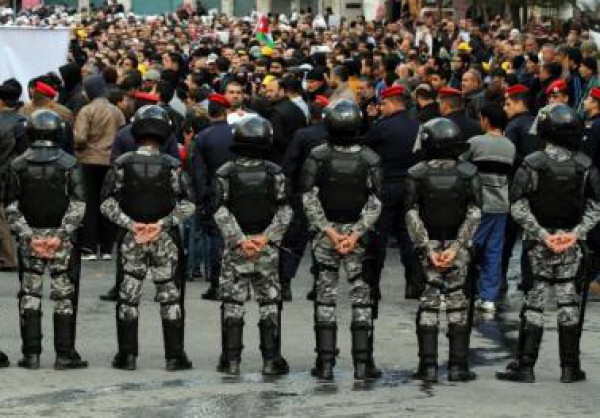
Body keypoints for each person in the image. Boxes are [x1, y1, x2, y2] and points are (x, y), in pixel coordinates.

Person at [496, 104, 600, 384]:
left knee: (535, 300)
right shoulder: (584, 165)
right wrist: (575, 234)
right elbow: (596, 206)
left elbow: (517, 205)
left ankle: (525, 366)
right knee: (568, 301)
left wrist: (543, 234)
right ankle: (570, 367)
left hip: (537, 243)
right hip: (571, 244)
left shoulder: (533, 163)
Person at [100, 105, 194, 371]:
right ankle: (174, 356)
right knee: (170, 296)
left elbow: (106, 203)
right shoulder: (173, 166)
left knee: (128, 295)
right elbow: (188, 204)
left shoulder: (121, 164)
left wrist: (132, 225)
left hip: (132, 238)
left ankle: (127, 356)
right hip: (164, 238)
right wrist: (161, 225)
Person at [302, 99, 382, 380]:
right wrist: (356, 233)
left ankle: (325, 363)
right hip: (358, 237)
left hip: (328, 236)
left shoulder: (317, 156)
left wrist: (329, 231)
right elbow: (376, 202)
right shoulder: (370, 158)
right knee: (362, 298)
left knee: (325, 297)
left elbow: (308, 198)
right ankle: (362, 363)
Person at [5, 109, 88, 370]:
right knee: (64, 296)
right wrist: (60, 235)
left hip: (30, 239)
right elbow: (78, 204)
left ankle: (31, 354)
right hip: (61, 241)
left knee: (29, 295)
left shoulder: (17, 165)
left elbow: (11, 206)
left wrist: (29, 236)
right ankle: (64, 354)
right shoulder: (69, 164)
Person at [212, 115, 292, 376]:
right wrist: (265, 238)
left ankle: (231, 360)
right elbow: (285, 210)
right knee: (269, 301)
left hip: (237, 247)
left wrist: (239, 240)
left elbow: (220, 210)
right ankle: (271, 359)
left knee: (232, 302)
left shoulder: (225, 172)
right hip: (265, 247)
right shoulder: (275, 173)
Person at [405, 117, 482, 383]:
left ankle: (427, 366)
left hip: (429, 246)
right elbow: (475, 212)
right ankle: (458, 366)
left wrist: (426, 247)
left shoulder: (417, 173)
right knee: (457, 301)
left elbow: (411, 213)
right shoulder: (469, 173)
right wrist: (457, 246)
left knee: (428, 303)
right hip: (456, 246)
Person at [363, 85, 420, 300]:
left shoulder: (383, 127)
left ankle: (373, 286)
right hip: (410, 186)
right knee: (408, 236)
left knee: (378, 236)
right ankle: (413, 284)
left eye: (384, 104)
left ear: (394, 103)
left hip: (386, 186)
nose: (381, 108)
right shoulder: (417, 125)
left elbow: (366, 148)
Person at [462, 103, 515, 312]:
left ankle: (457, 291)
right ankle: (488, 298)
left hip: (479, 204)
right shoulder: (510, 146)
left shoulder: (475, 142)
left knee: (468, 246)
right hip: (501, 205)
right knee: (494, 251)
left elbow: (461, 167)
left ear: (485, 120)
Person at [280, 96, 330, 301]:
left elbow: (289, 165)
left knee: (294, 240)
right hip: (327, 195)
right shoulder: (334, 136)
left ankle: (285, 283)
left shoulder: (302, 135)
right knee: (323, 239)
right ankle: (320, 284)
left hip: (303, 193)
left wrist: (287, 192)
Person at [74, 75, 125, 261]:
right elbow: (123, 134)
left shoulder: (86, 110)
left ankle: (88, 246)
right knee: (108, 202)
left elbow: (80, 137)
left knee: (90, 203)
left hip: (89, 161)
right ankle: (106, 247)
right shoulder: (116, 111)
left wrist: (81, 147)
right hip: (110, 161)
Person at [191, 93, 234, 301]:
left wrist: (201, 199)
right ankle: (234, 283)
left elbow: (198, 172)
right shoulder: (237, 133)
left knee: (216, 238)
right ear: (225, 111)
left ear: (209, 113)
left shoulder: (203, 137)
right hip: (237, 191)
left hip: (213, 193)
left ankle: (216, 284)